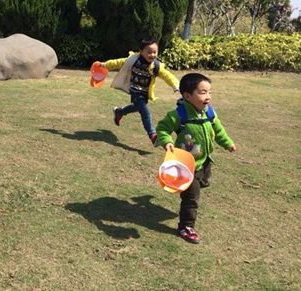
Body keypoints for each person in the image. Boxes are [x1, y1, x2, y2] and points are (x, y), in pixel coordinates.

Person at [156, 73, 236, 244]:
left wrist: (227, 143)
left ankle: (190, 189)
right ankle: (186, 226)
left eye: (209, 92)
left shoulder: (209, 112)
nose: (208, 96)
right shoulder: (179, 115)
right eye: (202, 92)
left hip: (204, 161)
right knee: (192, 197)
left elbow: (219, 131)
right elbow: (162, 128)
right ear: (187, 96)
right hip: (186, 165)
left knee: (204, 182)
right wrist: (166, 141)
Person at [99, 39, 179, 144]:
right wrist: (105, 65)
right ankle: (153, 135)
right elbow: (118, 62)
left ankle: (119, 112)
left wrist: (175, 84)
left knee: (136, 107)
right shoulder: (133, 60)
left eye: (155, 52)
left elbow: (167, 75)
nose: (152, 55)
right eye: (149, 52)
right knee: (145, 111)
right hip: (135, 91)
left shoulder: (156, 66)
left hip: (145, 93)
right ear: (141, 51)